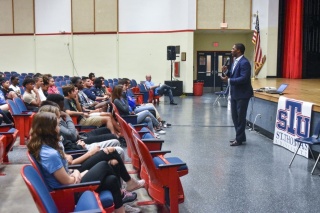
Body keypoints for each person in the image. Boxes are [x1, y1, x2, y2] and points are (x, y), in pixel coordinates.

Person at [26, 112, 144, 213]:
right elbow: (67, 181)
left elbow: (64, 171)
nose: (59, 128)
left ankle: (121, 209)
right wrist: (77, 172)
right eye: (57, 125)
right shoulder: (50, 154)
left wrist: (75, 172)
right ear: (49, 129)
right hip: (69, 193)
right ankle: (126, 187)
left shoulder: (45, 146)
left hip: (69, 184)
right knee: (105, 164)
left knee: (111, 179)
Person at [220, 43, 253, 146]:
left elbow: (243, 78)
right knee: (235, 117)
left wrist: (229, 80)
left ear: (238, 50)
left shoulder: (244, 63)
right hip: (235, 94)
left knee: (240, 118)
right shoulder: (235, 62)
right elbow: (233, 75)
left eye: (233, 48)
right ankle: (241, 137)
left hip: (242, 94)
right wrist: (226, 72)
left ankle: (238, 140)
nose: (231, 50)